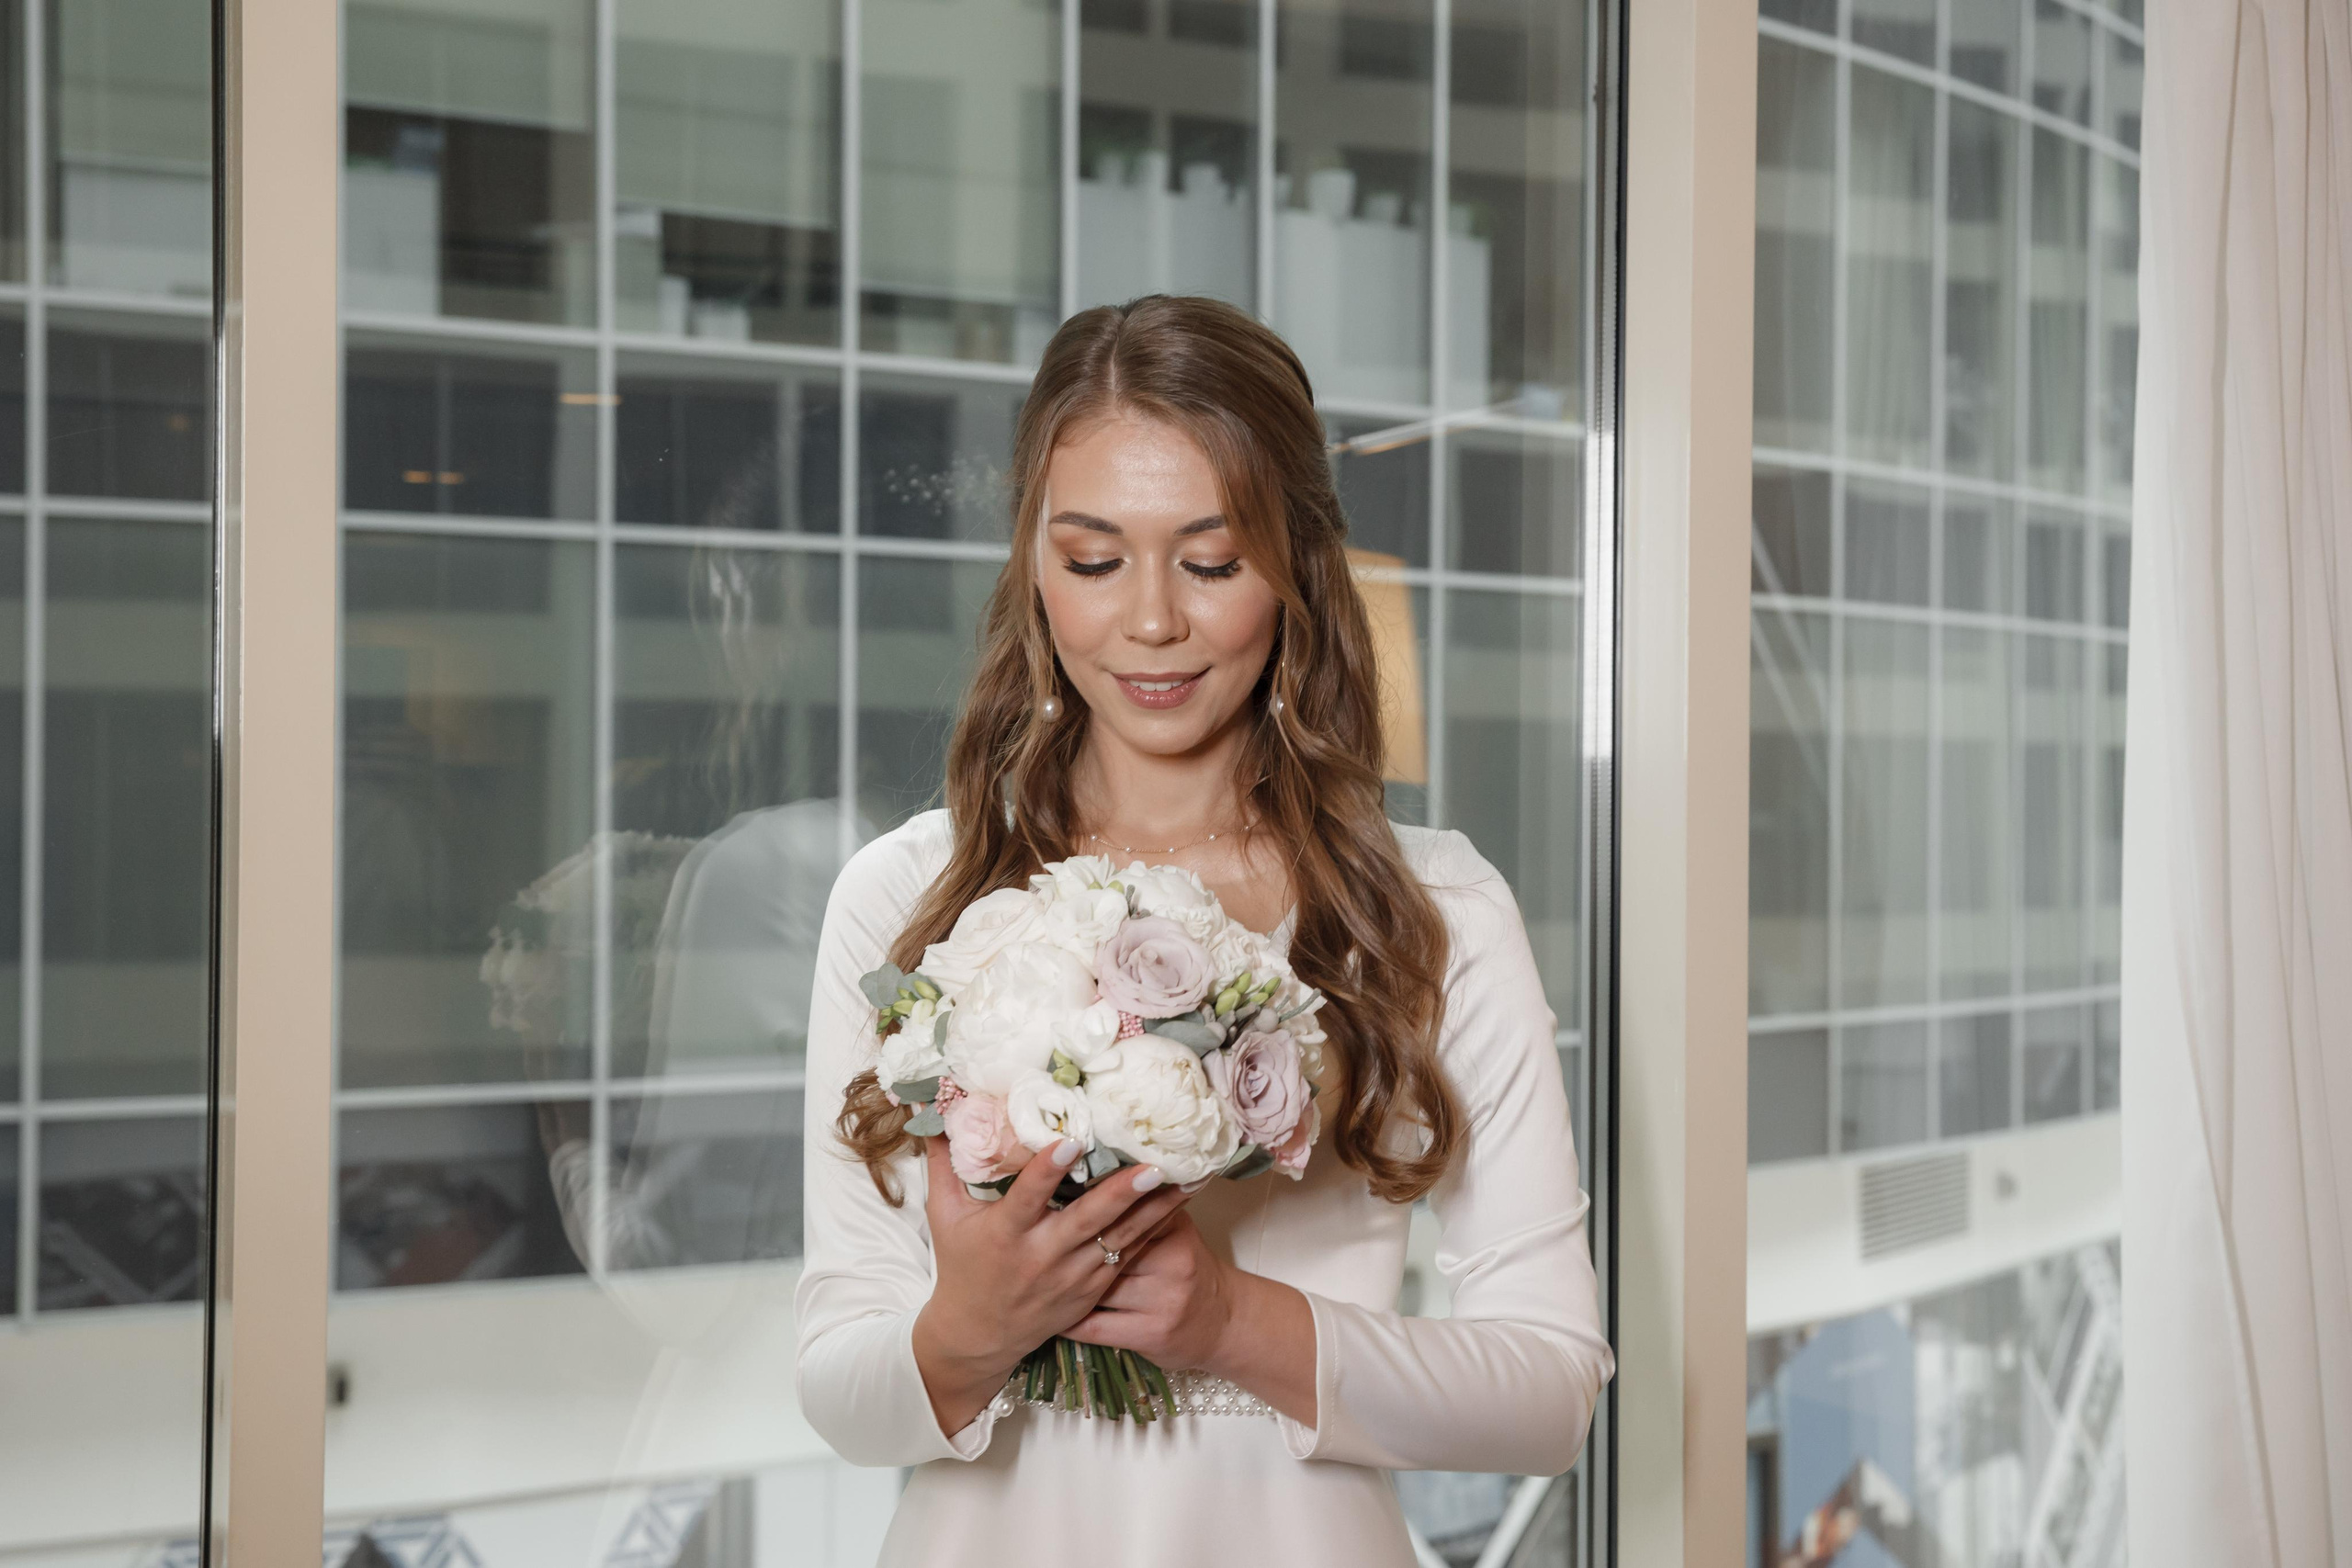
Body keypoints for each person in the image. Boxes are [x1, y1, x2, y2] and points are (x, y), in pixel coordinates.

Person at [794, 294, 1611, 1567]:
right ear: (1033, 567)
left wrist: (1233, 1321)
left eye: (1213, 561)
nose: (1153, 621)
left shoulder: (1432, 912)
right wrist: (971, 1325)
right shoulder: (907, 898)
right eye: (1093, 559)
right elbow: (839, 1382)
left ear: (1295, 567)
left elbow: (1551, 1390)